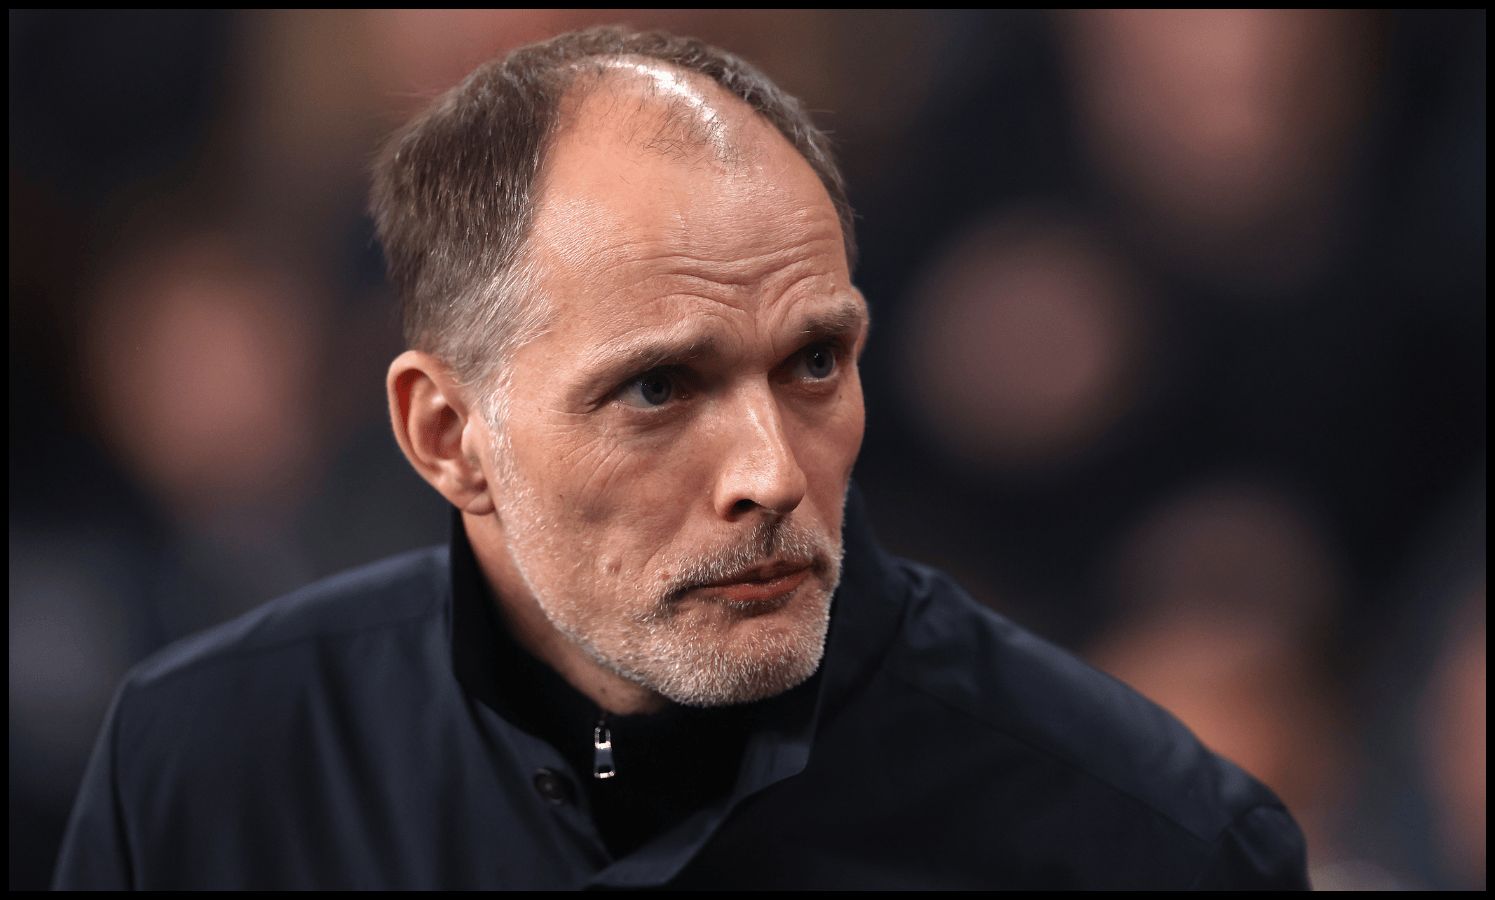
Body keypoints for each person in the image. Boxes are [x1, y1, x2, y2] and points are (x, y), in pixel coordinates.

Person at [52, 26, 1309, 890]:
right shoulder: (204, 765)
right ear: (448, 435)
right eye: (658, 387)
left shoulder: (1149, 839)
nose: (769, 471)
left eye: (814, 362)